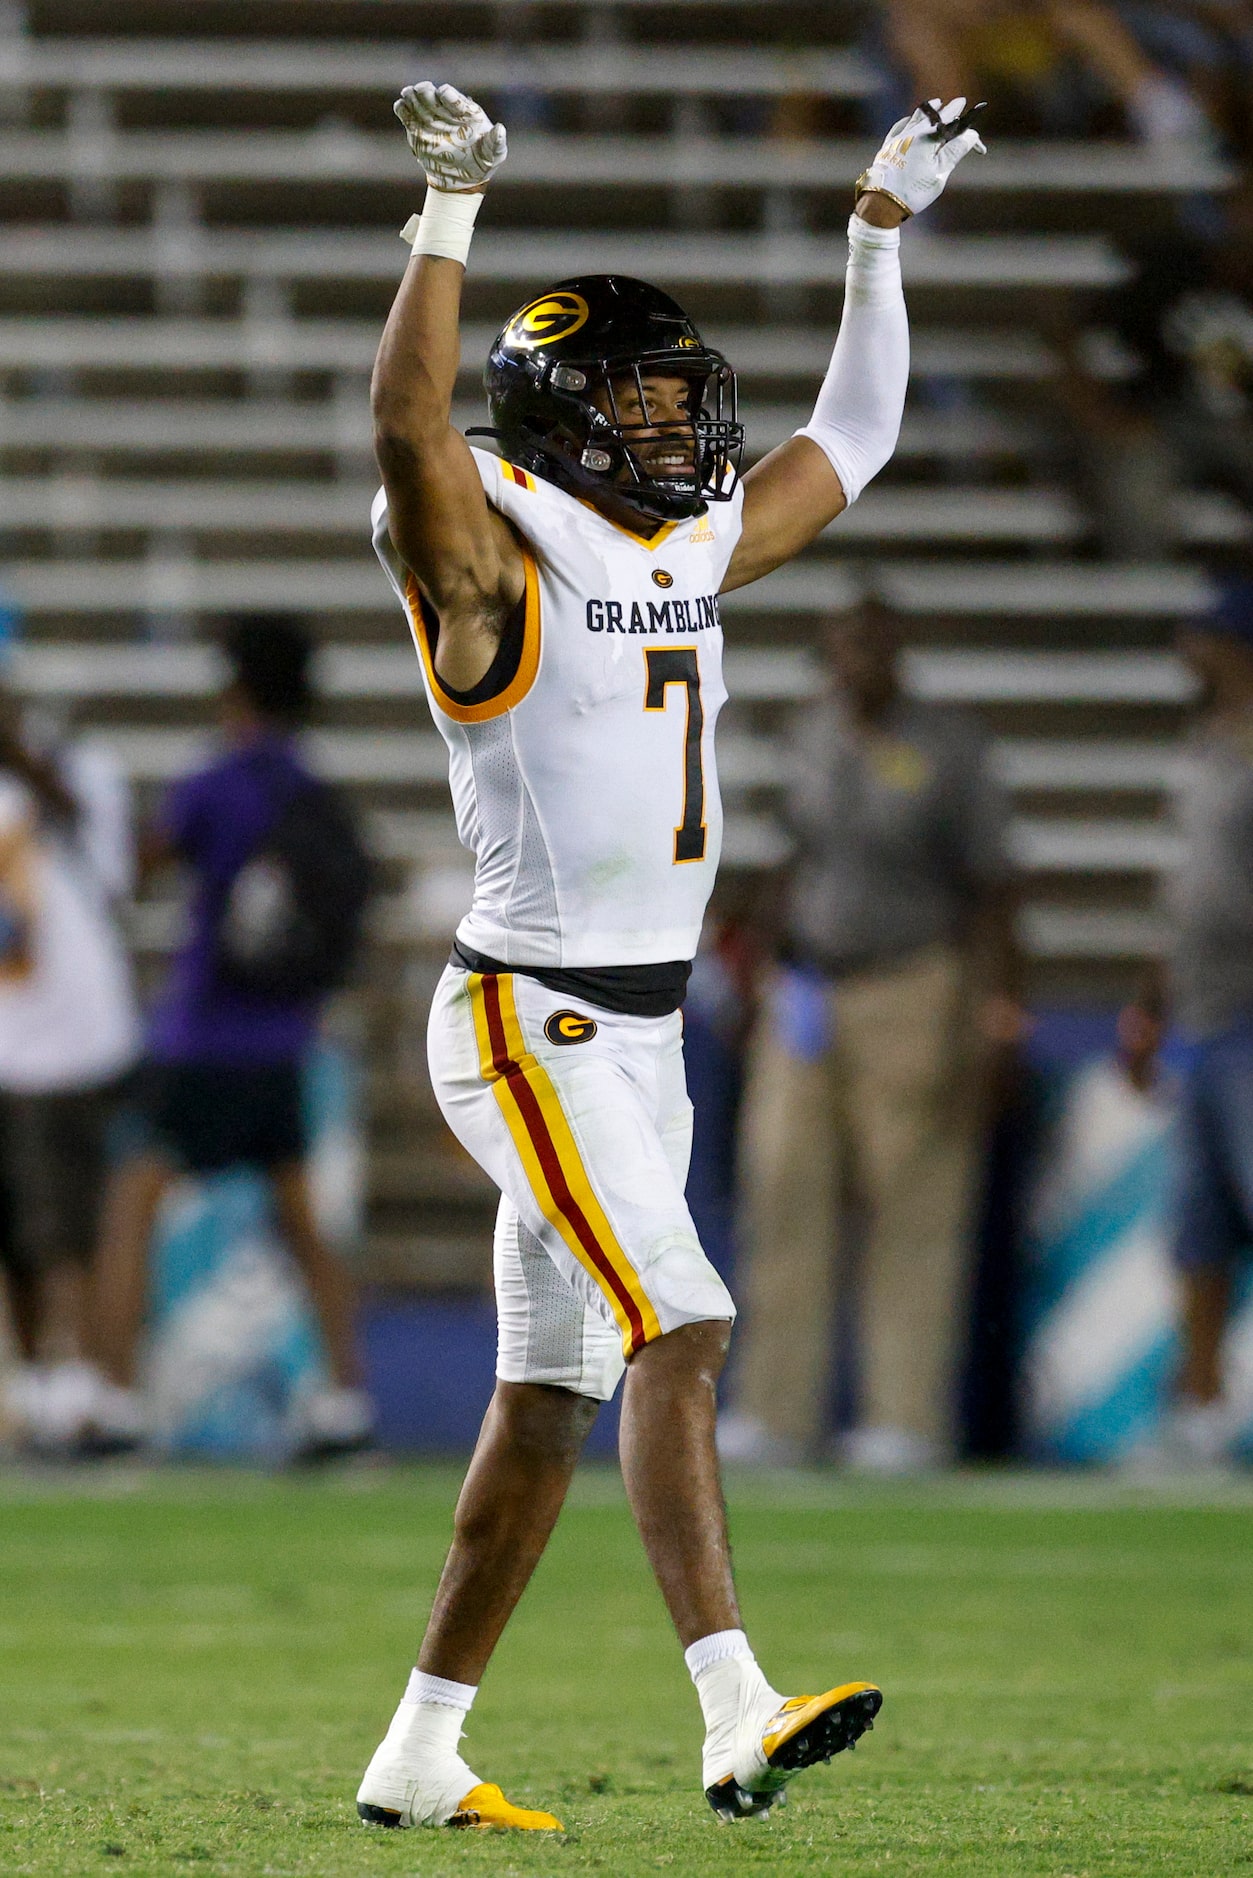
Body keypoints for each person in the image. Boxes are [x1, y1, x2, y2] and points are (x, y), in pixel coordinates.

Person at [356, 81, 985, 1833]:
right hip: (525, 1018)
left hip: (643, 1032)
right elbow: (406, 426)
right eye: (630, 405)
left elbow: (844, 444)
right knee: (685, 1325)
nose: (667, 429)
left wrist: (874, 238)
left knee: (547, 1397)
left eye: (673, 399)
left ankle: (416, 1750)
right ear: (552, 421)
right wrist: (449, 213)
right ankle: (732, 1707)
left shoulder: (685, 534)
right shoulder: (486, 552)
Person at [720, 604, 1022, 1475]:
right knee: (783, 1194)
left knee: (913, 1201)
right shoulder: (808, 737)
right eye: (842, 649)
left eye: (871, 646)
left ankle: (903, 1417)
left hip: (912, 979)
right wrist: (756, 969)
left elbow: (995, 887)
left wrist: (994, 1012)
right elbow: (790, 861)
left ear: (899, 653)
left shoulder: (947, 747)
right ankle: (774, 1411)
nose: (854, 664)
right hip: (810, 989)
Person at [87, 615, 373, 1462]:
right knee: (302, 1225)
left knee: (131, 1207)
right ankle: (345, 1405)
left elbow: (139, 870)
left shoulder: (214, 784)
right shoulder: (312, 789)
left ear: (237, 687)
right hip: (282, 1042)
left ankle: (112, 1403)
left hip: (203, 1038)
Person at [1124, 576, 1253, 1466]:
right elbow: (1187, 891)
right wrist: (1152, 1001)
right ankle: (1200, 1413)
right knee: (1197, 1229)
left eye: (1207, 637)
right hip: (1204, 1014)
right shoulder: (1202, 745)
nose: (1190, 650)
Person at [0, 691, 142, 1454]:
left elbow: (107, 878)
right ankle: (53, 1388)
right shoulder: (67, 782)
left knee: (60, 1227)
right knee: (33, 1232)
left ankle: (80, 1389)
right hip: (39, 1033)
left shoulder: (65, 784)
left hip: (52, 1039)